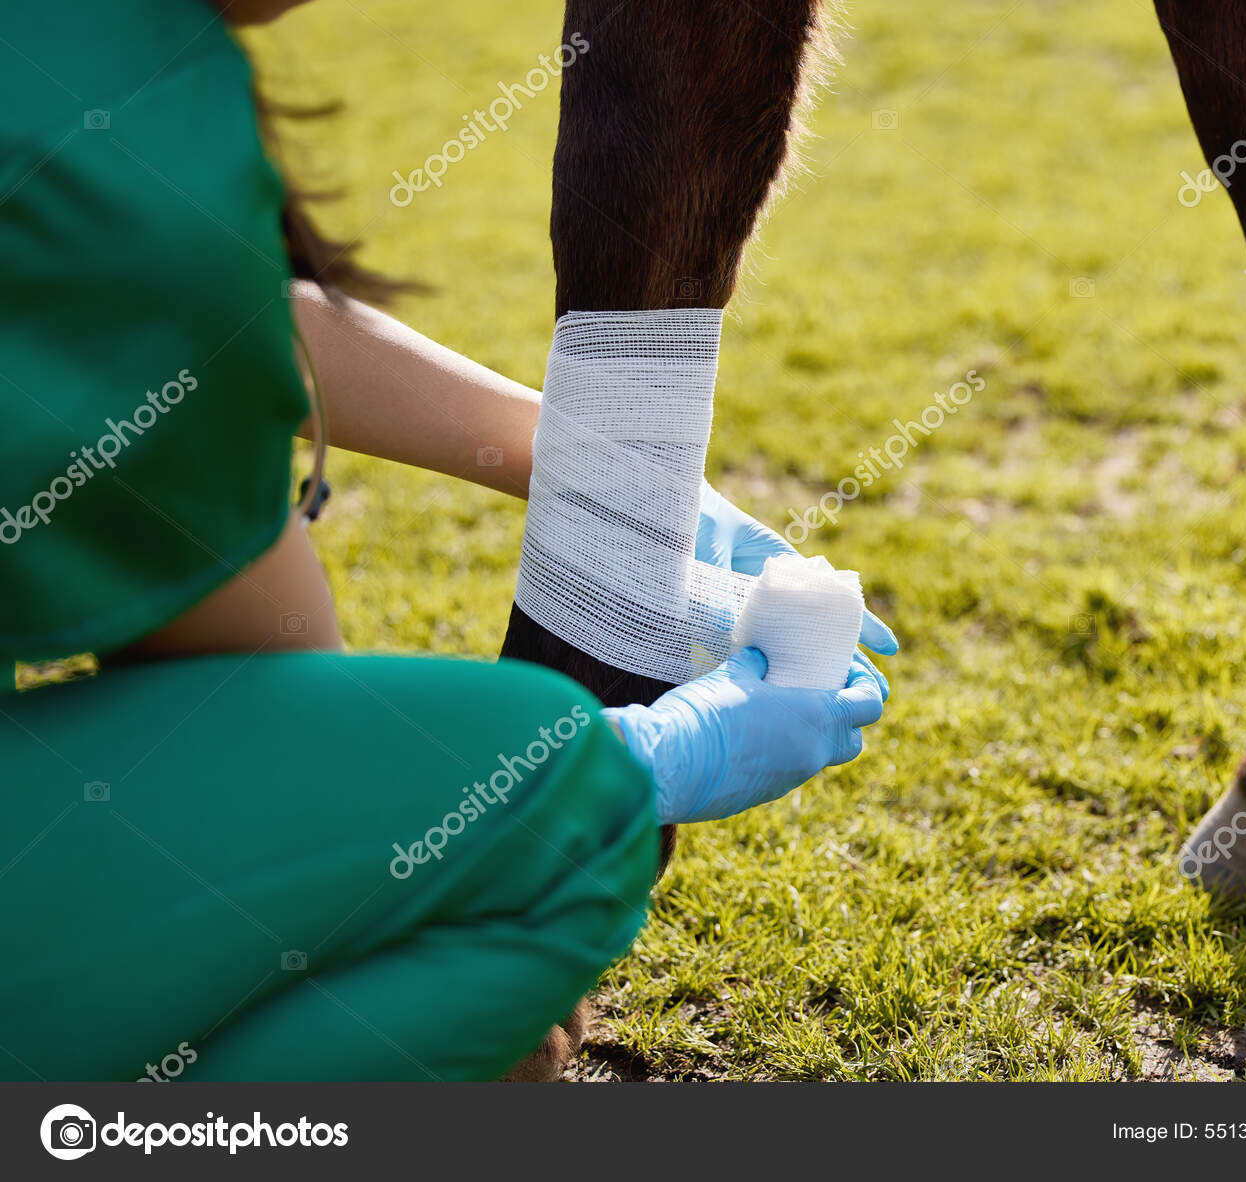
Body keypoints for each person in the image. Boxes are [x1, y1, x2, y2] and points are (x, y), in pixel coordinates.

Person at [0, 0, 893, 1081]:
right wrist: (625, 772)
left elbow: (185, 313)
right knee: (504, 900)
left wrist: (592, 466)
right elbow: (288, 764)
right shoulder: (120, 121)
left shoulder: (59, 59)